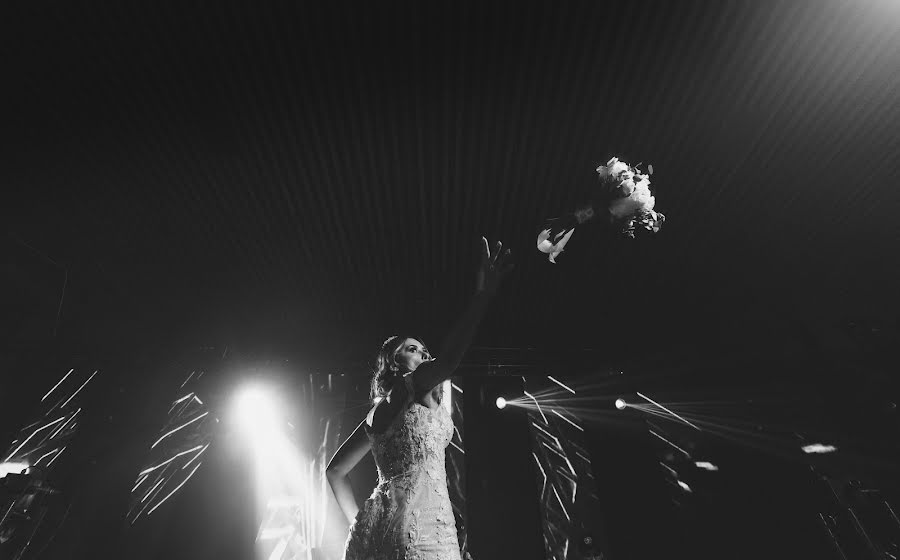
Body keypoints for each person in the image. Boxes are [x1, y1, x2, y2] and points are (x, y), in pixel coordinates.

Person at [326, 237, 513, 560]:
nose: (423, 355)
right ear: (394, 361)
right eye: (413, 349)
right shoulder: (411, 387)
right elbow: (450, 359)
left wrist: (360, 524)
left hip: (405, 529)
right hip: (423, 534)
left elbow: (334, 472)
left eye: (425, 351)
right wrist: (484, 294)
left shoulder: (377, 414)